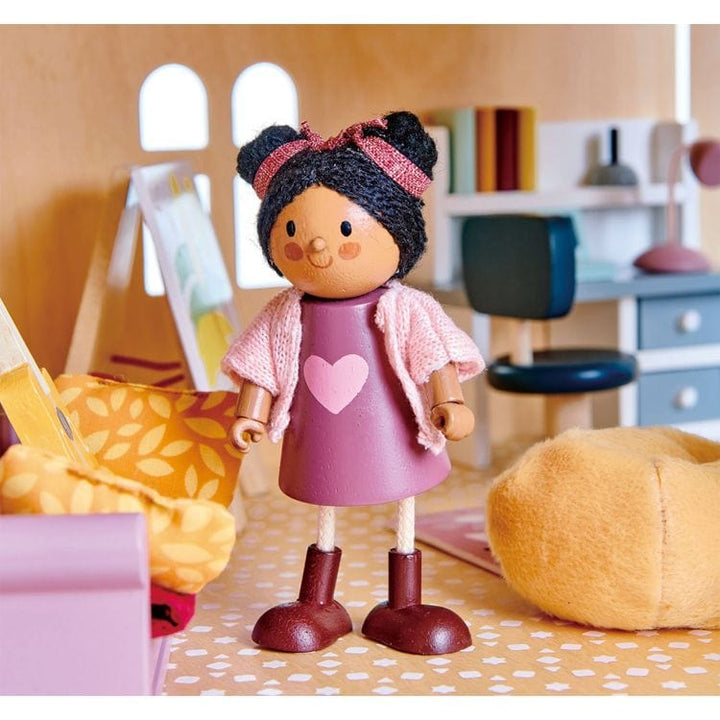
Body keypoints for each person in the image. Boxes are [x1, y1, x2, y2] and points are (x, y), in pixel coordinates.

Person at [222, 111, 484, 654]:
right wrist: (251, 412)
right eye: (292, 232)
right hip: (321, 435)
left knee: (404, 510)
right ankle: (318, 603)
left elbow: (433, 355)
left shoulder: (407, 308)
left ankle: (404, 606)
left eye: (344, 230)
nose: (317, 249)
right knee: (327, 512)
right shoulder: (285, 313)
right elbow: (260, 364)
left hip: (394, 432)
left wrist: (449, 401)